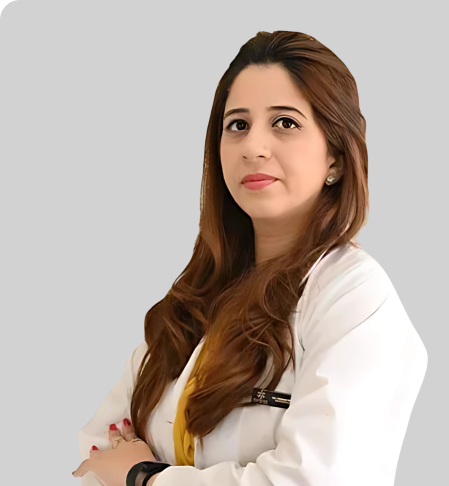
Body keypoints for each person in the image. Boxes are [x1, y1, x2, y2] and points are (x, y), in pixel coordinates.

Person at [72, 30, 428, 486]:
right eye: (237, 125)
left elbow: (312, 480)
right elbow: (99, 452)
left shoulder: (354, 298)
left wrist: (145, 477)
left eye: (285, 123)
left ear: (336, 158)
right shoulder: (194, 298)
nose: (253, 146)